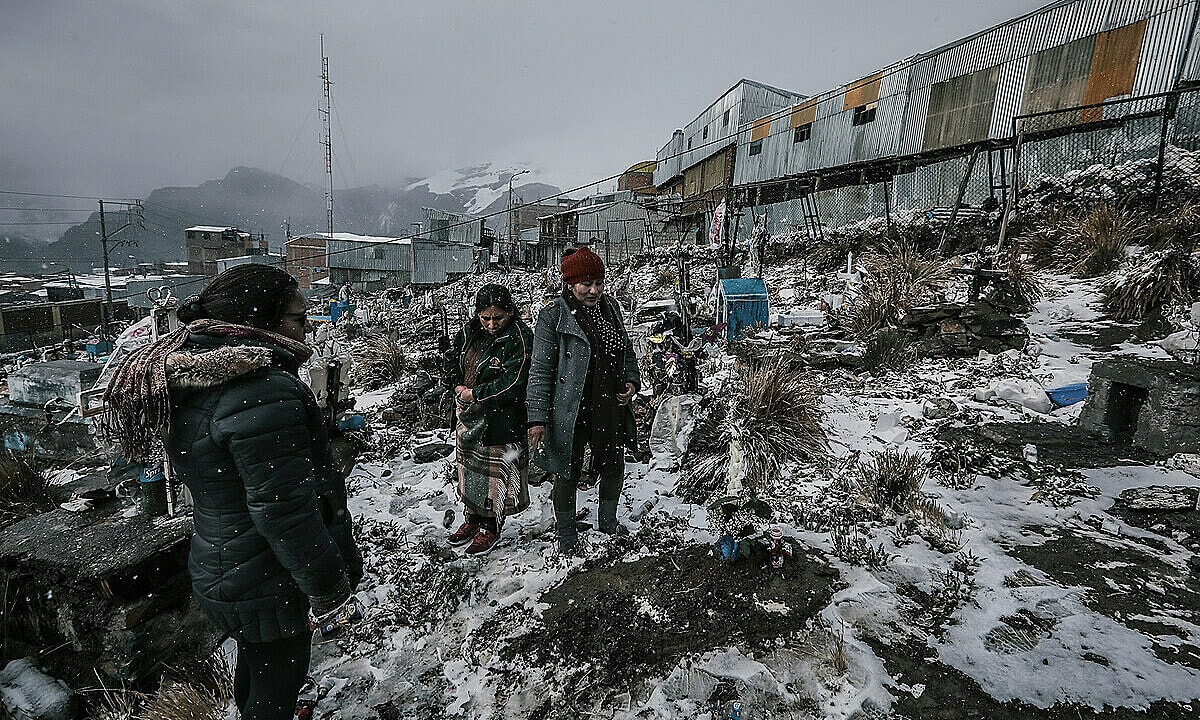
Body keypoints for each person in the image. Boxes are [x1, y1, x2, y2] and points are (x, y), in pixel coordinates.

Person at [99, 265, 362, 720]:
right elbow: (284, 512)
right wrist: (327, 584)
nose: (308, 327)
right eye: (298, 318)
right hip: (266, 572)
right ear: (261, 322)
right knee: (278, 676)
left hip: (222, 558)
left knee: (258, 665)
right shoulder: (260, 391)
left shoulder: (191, 375)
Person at [527, 247, 641, 552]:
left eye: (599, 283)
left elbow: (627, 351)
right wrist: (537, 418)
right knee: (567, 469)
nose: (593, 291)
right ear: (569, 284)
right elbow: (540, 370)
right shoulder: (553, 316)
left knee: (614, 464)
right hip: (570, 408)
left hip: (608, 403)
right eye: (585, 284)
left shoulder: (611, 308)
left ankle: (608, 521)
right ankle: (566, 533)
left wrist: (631, 382)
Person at [443, 283, 533, 555]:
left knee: (496, 477)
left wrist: (477, 394)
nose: (492, 324)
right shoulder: (469, 332)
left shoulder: (520, 338)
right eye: (486, 318)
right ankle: (472, 519)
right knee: (470, 471)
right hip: (469, 416)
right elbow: (451, 359)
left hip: (501, 417)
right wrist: (456, 386)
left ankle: (491, 526)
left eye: (498, 318)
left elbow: (514, 381)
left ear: (510, 313)